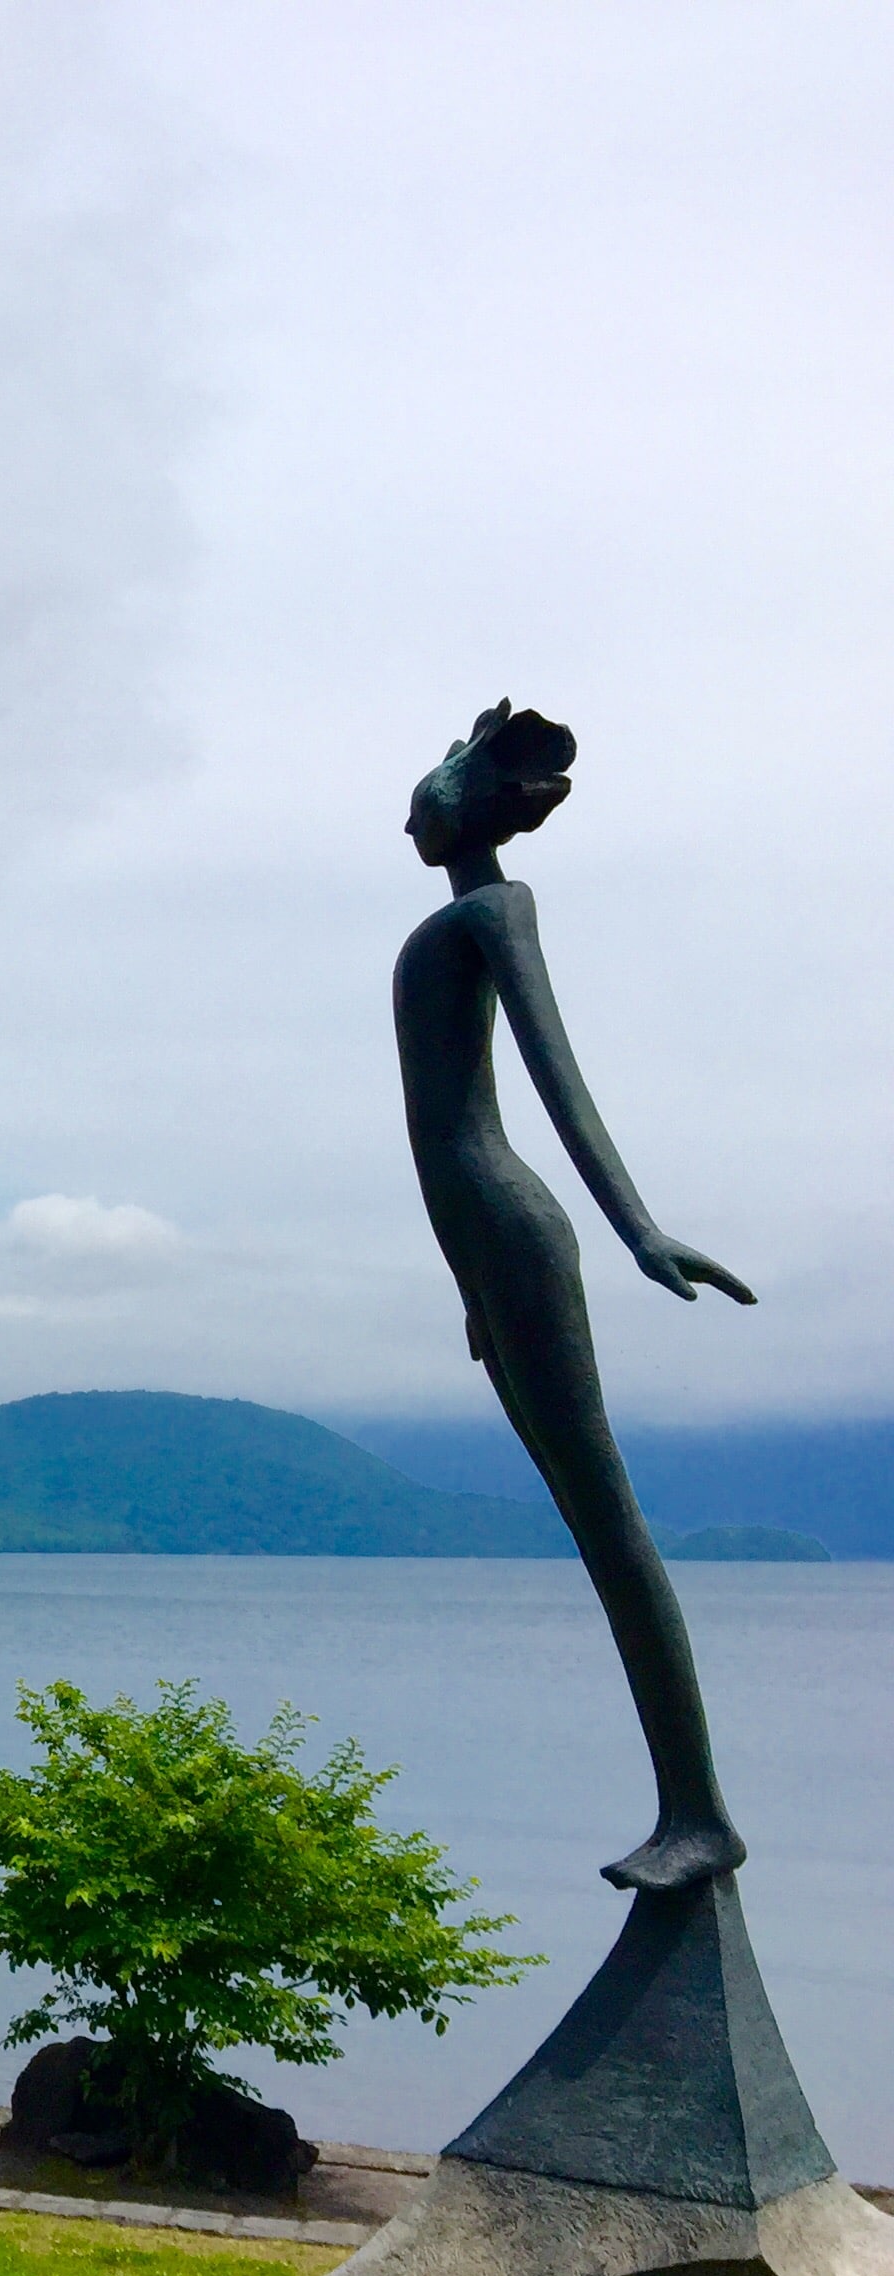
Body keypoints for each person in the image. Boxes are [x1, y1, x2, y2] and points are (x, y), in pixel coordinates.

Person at [394, 701, 753, 1892]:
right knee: (587, 1520)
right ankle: (686, 1807)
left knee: (610, 1523)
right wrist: (469, 1290)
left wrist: (638, 1227)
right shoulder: (448, 921)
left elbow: (553, 1078)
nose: (408, 812)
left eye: (427, 788)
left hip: (515, 1222)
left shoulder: (497, 911)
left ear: (465, 804)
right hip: (487, 1252)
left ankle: (697, 1814)